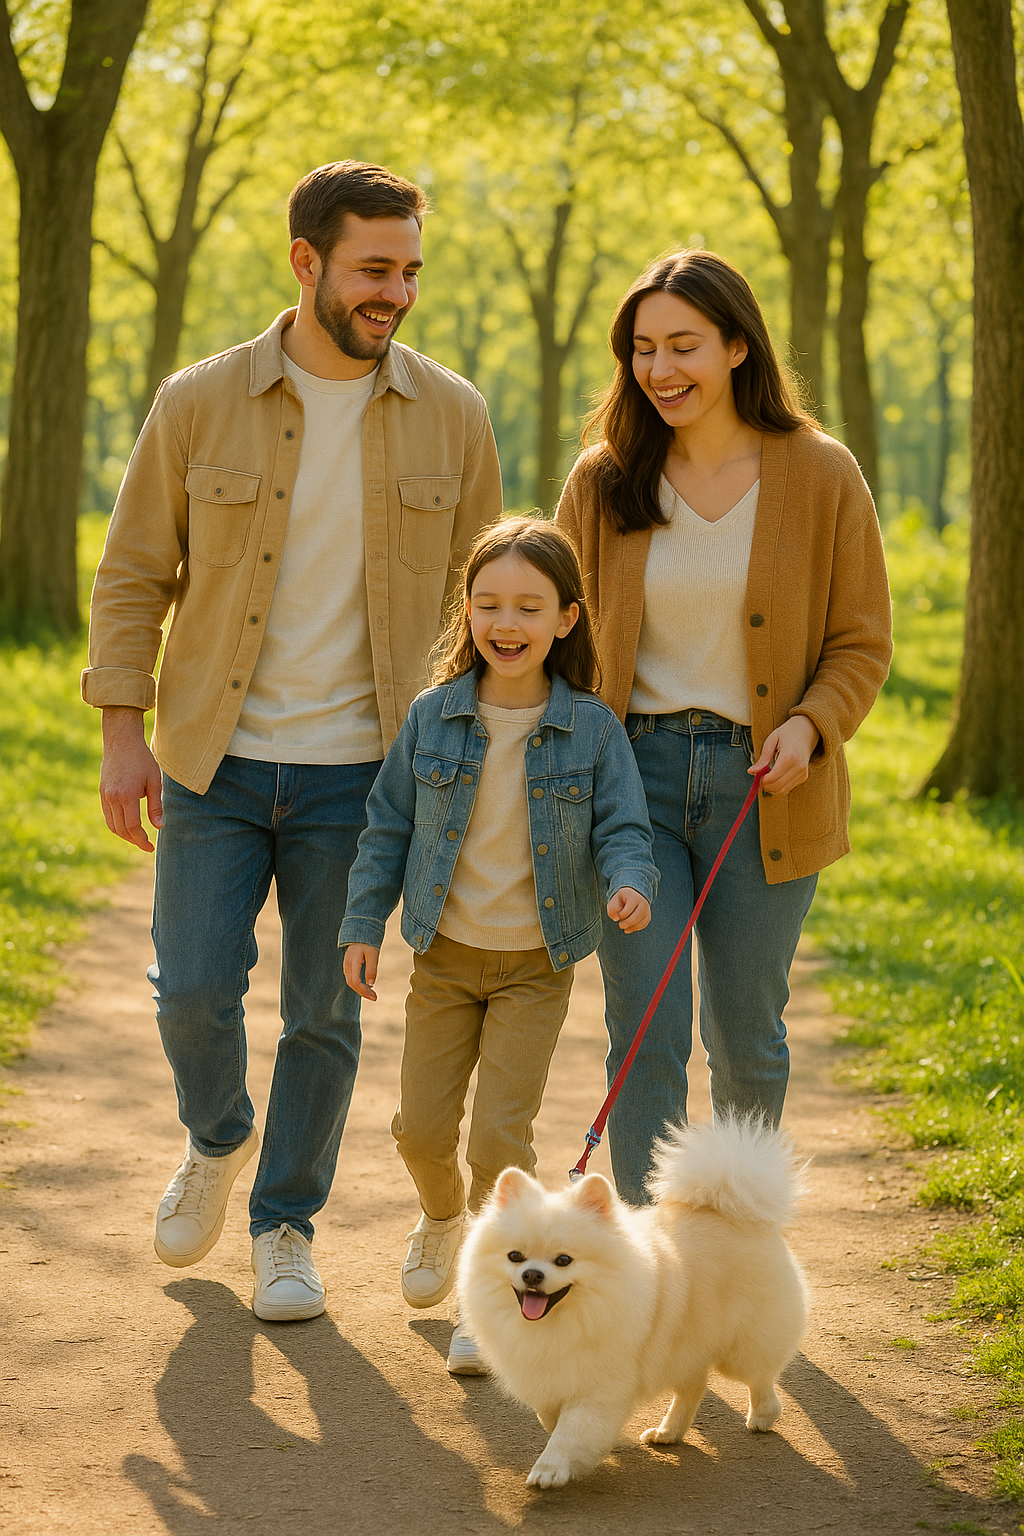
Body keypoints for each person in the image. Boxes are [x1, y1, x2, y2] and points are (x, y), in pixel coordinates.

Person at [83, 160, 502, 1320]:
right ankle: (216, 1137)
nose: (395, 293)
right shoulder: (199, 400)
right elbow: (132, 577)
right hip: (211, 759)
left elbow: (491, 609)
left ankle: (285, 1225)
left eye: (410, 271)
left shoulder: (454, 414)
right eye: (374, 269)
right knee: (194, 992)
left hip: (366, 776)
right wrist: (125, 734)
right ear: (306, 262)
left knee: (325, 1011)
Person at [555, 249, 892, 1206]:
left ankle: (737, 1257)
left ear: (739, 346)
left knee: (747, 1033)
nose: (660, 369)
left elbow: (863, 641)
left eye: (684, 346)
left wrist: (812, 726)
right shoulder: (603, 480)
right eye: (643, 349)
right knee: (646, 1030)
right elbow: (558, 640)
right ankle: (653, 1270)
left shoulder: (821, 474)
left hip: (766, 785)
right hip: (632, 786)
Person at [339, 517, 659, 1372]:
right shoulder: (432, 718)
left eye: (528, 605)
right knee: (421, 1129)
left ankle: (486, 1309)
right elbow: (386, 829)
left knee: (501, 1143)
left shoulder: (590, 730)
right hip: (443, 957)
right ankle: (444, 1217)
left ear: (566, 619)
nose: (504, 622)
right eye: (487, 604)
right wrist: (362, 924)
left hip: (534, 967)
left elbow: (625, 827)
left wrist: (631, 881)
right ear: (467, 613)